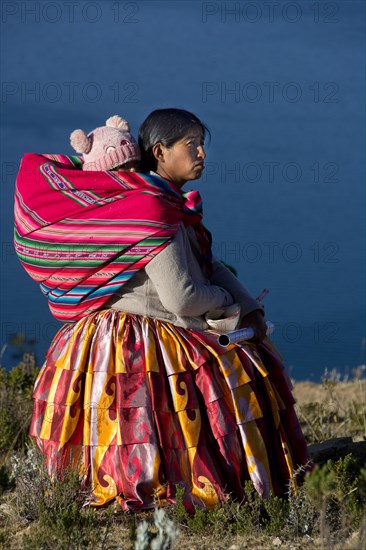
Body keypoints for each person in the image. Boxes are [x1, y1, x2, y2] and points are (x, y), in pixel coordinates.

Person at [16, 108, 309, 514]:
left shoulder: (165, 204)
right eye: (192, 145)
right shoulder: (152, 211)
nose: (202, 153)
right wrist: (230, 309)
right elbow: (183, 298)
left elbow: (208, 263)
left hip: (121, 330)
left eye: (202, 143)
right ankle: (189, 490)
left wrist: (250, 307)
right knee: (233, 371)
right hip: (139, 336)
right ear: (160, 151)